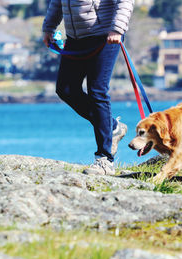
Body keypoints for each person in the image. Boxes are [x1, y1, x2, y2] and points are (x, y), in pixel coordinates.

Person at [42, 0, 134, 175]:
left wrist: (117, 28)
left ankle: (105, 160)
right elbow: (57, 2)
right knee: (66, 89)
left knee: (97, 91)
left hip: (105, 35)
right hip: (75, 38)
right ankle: (113, 127)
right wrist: (49, 28)